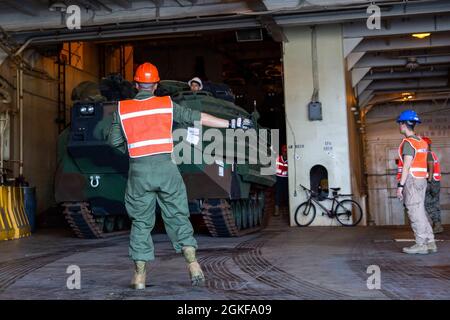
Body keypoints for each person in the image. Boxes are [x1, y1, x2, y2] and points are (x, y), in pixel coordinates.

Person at [108, 62, 253, 289]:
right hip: (167, 170)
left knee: (141, 223)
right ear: (155, 85)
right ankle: (193, 264)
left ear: (136, 84)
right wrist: (233, 123)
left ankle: (139, 277)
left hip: (139, 172)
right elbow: (199, 118)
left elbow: (114, 142)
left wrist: (135, 153)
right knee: (177, 217)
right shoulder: (167, 105)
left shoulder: (122, 109)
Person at [396, 110, 437, 254]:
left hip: (412, 181)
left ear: (403, 124)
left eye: (400, 123)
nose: (399, 126)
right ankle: (430, 242)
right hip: (422, 180)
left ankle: (421, 244)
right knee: (420, 212)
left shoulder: (408, 143)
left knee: (414, 212)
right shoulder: (422, 142)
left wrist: (400, 186)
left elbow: (406, 166)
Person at [422, 136, 444, 234]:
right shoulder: (432, 154)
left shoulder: (427, 154)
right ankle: (438, 225)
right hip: (436, 181)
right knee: (435, 203)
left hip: (431, 182)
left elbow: (430, 166)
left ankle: (437, 224)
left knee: (427, 203)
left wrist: (429, 181)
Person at [274, 144, 288, 216]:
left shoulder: (290, 160)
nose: (285, 153)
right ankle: (277, 211)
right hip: (278, 178)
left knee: (286, 194)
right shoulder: (277, 159)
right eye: (284, 152)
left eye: (286, 152)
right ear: (282, 152)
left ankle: (286, 210)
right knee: (278, 194)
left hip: (286, 179)